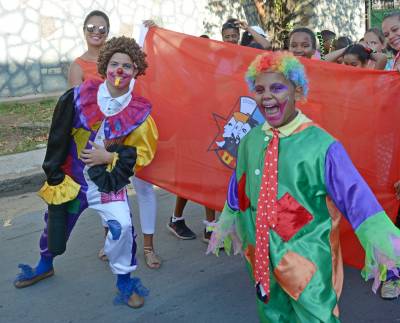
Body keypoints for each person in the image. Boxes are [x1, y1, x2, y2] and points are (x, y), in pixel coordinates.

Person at [207, 51, 400, 321]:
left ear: (297, 90)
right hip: (261, 256)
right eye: (259, 89)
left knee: (316, 316)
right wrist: (228, 219)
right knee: (271, 313)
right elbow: (238, 185)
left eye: (277, 88)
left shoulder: (322, 145)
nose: (267, 96)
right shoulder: (250, 139)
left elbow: (356, 197)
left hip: (306, 260)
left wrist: (387, 246)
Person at [14, 36, 157, 308]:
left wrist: (110, 155)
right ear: (104, 66)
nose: (120, 70)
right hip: (74, 180)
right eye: (114, 63)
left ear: (136, 71)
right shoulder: (80, 96)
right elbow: (58, 134)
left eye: (127, 66)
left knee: (123, 227)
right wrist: (54, 172)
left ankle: (125, 281)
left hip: (107, 184)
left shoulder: (139, 113)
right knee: (55, 226)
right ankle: (45, 264)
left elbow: (143, 153)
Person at [68, 12, 161, 269]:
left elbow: (141, 61)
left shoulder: (124, 56)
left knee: (143, 188)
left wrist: (154, 34)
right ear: (84, 30)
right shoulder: (79, 66)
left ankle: (148, 247)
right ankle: (112, 240)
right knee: (106, 189)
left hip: (133, 132)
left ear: (107, 31)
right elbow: (73, 110)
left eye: (101, 27)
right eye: (90, 27)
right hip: (99, 144)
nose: (95, 31)